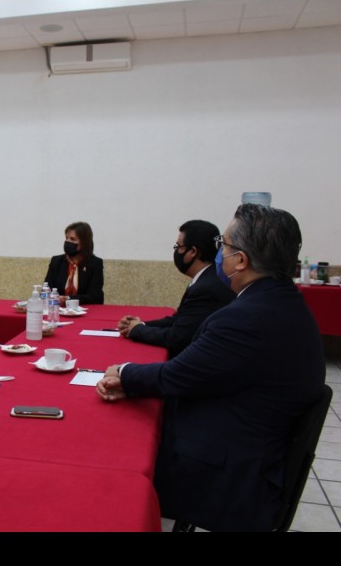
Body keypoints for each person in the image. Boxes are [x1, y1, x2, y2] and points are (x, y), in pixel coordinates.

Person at [96, 204, 325, 532]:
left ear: (241, 260)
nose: (219, 253)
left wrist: (124, 373)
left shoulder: (246, 318)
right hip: (248, 443)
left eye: (224, 245)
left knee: (118, 444)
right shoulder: (282, 302)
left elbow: (178, 376)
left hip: (227, 474)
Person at [117, 220, 235, 358]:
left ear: (193, 251)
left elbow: (178, 338)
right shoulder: (207, 277)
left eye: (178, 247)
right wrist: (139, 324)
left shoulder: (206, 288)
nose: (176, 251)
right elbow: (180, 319)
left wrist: (137, 330)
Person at [44, 221, 103, 305]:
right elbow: (47, 289)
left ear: (84, 243)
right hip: (58, 308)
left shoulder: (95, 263)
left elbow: (94, 296)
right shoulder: (57, 261)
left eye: (72, 239)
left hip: (86, 308)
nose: (67, 241)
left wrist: (68, 299)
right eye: (66, 238)